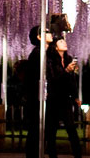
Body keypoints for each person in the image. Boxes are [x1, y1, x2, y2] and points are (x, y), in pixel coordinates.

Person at [45, 37, 81, 157]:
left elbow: (72, 80)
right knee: (52, 129)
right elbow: (53, 79)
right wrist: (66, 70)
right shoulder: (50, 60)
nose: (64, 43)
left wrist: (75, 96)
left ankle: (78, 154)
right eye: (61, 42)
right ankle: (52, 155)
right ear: (55, 46)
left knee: (71, 127)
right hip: (53, 98)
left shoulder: (68, 59)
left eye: (64, 41)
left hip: (65, 98)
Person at [24, 26, 52, 158]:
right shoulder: (37, 54)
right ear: (39, 37)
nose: (50, 33)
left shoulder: (46, 53)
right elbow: (34, 78)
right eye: (46, 32)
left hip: (41, 97)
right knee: (36, 130)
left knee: (42, 130)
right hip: (36, 99)